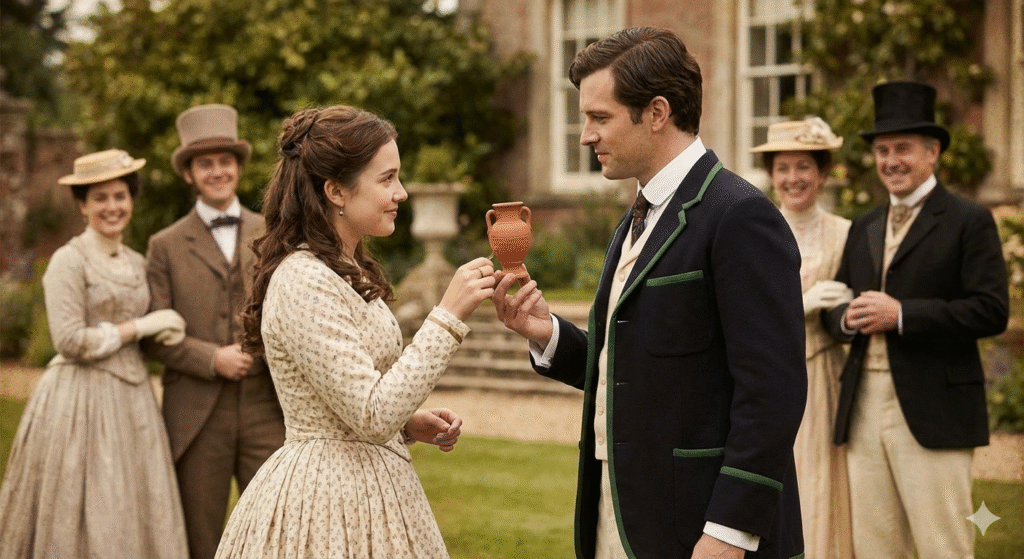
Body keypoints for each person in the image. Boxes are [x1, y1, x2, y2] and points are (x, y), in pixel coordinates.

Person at [491, 27, 806, 559]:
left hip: (702, 528)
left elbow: (773, 392)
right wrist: (546, 334)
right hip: (621, 516)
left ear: (657, 112)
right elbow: (639, 368)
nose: (585, 136)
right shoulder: (637, 217)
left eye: (599, 117)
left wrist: (729, 531)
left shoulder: (740, 215)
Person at [213, 105, 494, 559]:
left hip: (373, 484)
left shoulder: (345, 268)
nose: (400, 193)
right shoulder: (303, 280)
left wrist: (405, 425)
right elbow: (370, 414)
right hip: (324, 499)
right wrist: (447, 316)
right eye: (387, 179)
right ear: (336, 190)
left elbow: (361, 400)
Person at [824, 81, 1009, 559]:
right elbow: (837, 304)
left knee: (942, 544)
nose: (890, 161)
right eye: (883, 150)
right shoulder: (864, 224)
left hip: (935, 408)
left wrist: (902, 314)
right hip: (863, 403)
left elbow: (991, 309)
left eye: (902, 148)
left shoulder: (969, 219)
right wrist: (846, 319)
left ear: (933, 153)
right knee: (874, 547)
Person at [0, 149, 189, 558]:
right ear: (82, 205)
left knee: (132, 504)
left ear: (132, 200)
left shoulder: (137, 262)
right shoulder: (69, 261)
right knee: (87, 505)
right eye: (99, 198)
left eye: (120, 196)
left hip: (132, 400)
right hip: (78, 401)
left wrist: (168, 330)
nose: (112, 207)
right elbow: (70, 340)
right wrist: (142, 326)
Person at [144, 104, 286, 559]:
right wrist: (211, 358)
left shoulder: (273, 234)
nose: (217, 171)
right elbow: (154, 332)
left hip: (266, 406)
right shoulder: (163, 245)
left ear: (239, 169)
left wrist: (259, 352)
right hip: (196, 415)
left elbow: (288, 312)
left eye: (226, 161)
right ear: (189, 173)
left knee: (276, 526)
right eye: (205, 163)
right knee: (201, 537)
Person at [751, 116, 855, 559]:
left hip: (826, 380)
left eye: (803, 167)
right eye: (783, 168)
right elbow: (748, 314)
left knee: (824, 486)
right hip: (769, 380)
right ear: (772, 175)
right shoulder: (754, 230)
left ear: (823, 172)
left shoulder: (847, 234)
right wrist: (805, 302)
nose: (792, 178)